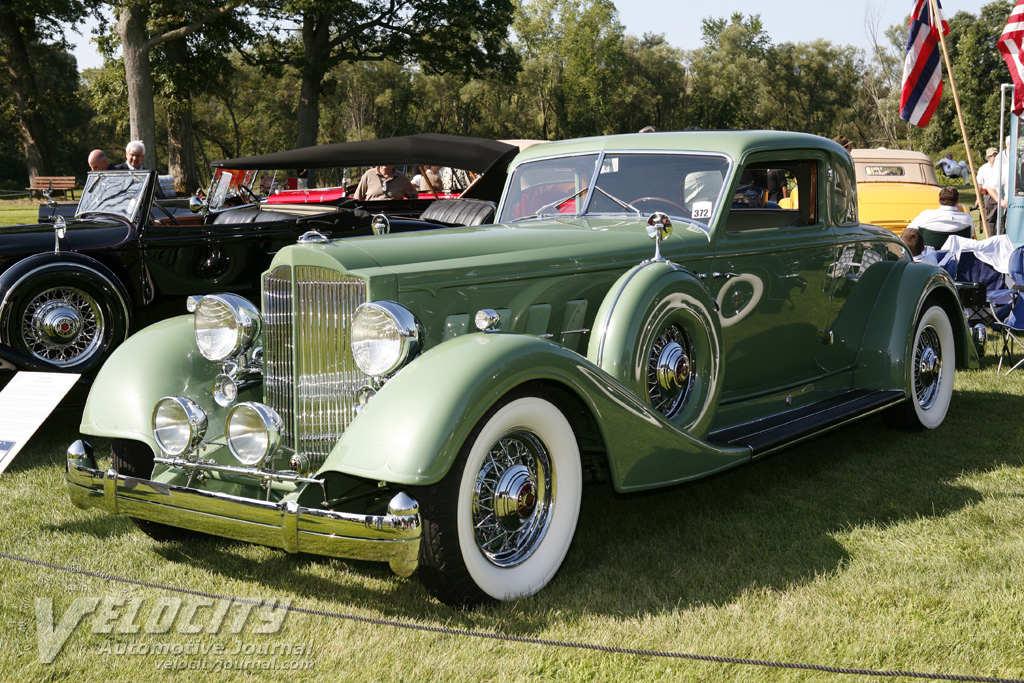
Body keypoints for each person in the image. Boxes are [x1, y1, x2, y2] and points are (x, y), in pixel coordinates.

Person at [906, 186, 974, 236]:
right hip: (958, 255)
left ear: (939, 200)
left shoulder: (925, 215)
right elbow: (970, 235)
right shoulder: (966, 219)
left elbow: (908, 232)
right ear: (957, 201)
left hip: (930, 254)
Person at [353, 165, 419, 201]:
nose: (386, 162)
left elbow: (414, 196)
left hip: (394, 217)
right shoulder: (368, 175)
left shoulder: (402, 178)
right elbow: (357, 198)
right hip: (372, 216)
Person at [977, 146, 1004, 229]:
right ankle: (991, 237)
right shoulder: (983, 169)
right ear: (988, 158)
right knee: (990, 217)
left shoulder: (1003, 167)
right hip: (989, 196)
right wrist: (978, 198)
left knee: (1002, 218)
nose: (995, 157)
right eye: (993, 155)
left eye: (996, 155)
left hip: (1002, 194)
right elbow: (979, 184)